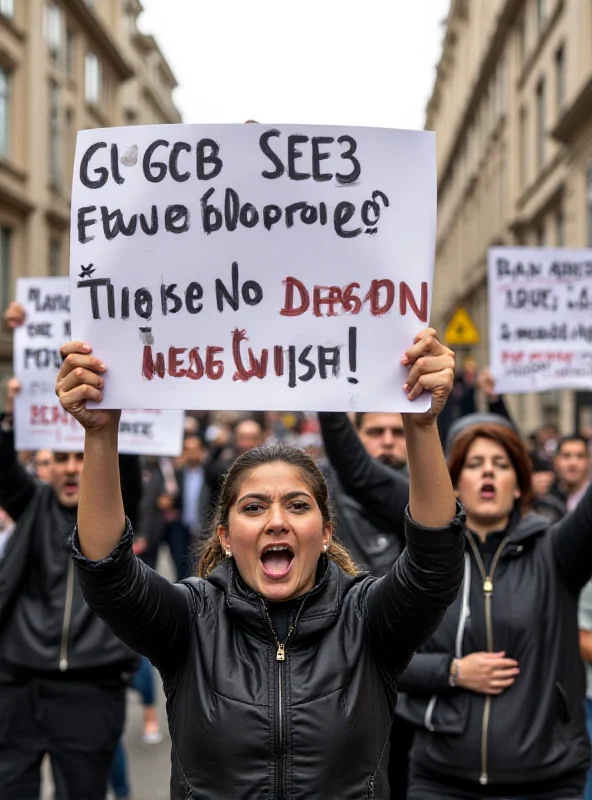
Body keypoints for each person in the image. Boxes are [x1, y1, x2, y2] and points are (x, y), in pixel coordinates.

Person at [56, 328, 465, 799]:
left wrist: (421, 424)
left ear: (326, 532)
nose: (276, 521)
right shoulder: (190, 620)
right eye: (253, 507)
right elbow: (107, 571)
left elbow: (435, 562)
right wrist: (101, 435)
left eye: (297, 505)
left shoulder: (367, 619)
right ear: (226, 537)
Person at [395, 421, 592, 799]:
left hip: (546, 783)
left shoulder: (556, 553)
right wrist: (453, 671)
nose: (487, 471)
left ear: (519, 486)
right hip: (441, 780)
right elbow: (385, 658)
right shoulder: (426, 564)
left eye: (501, 464)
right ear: (451, 484)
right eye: (474, 464)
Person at [553, 435, 591, 512]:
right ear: (556, 461)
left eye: (580, 456)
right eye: (566, 456)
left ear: (589, 461)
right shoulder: (546, 496)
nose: (573, 463)